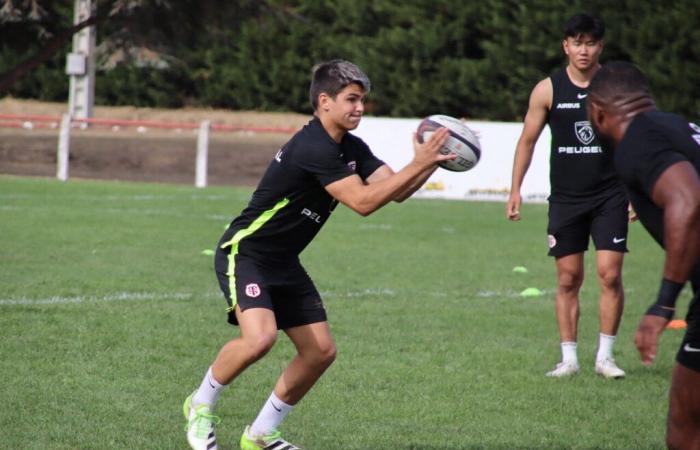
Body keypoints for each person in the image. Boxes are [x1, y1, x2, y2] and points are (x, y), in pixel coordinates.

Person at [182, 59, 453, 450]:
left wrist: (428, 163)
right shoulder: (313, 146)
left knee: (320, 352)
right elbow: (362, 202)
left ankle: (261, 435)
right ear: (324, 100)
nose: (359, 108)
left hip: (285, 261)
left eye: (362, 100)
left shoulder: (352, 148)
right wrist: (419, 163)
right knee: (259, 339)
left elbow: (397, 190)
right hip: (247, 252)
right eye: (351, 99)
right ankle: (200, 404)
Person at [506, 13, 629, 378]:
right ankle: (569, 359)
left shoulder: (615, 87)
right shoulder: (548, 89)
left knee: (609, 274)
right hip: (566, 199)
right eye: (577, 42)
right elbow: (526, 142)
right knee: (567, 277)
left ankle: (605, 357)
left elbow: (634, 141)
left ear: (600, 47)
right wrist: (515, 189)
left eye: (590, 43)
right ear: (566, 46)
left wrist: (638, 191)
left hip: (611, 194)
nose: (584, 50)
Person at [587, 61, 700, 450]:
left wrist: (663, 304)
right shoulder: (677, 125)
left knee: (686, 428)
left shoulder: (638, 142)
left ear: (597, 112)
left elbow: (687, 200)